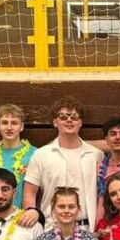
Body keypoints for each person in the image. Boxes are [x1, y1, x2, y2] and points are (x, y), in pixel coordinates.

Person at [22, 97, 104, 230]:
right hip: (51, 228)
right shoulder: (40, 155)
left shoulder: (96, 155)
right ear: (55, 122)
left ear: (80, 122)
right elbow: (29, 192)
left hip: (87, 229)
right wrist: (32, 216)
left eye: (74, 116)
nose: (69, 120)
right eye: (63, 116)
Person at [0, 103, 37, 209]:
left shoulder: (35, 154)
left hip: (25, 215)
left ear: (21, 126)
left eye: (14, 123)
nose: (9, 128)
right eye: (5, 123)